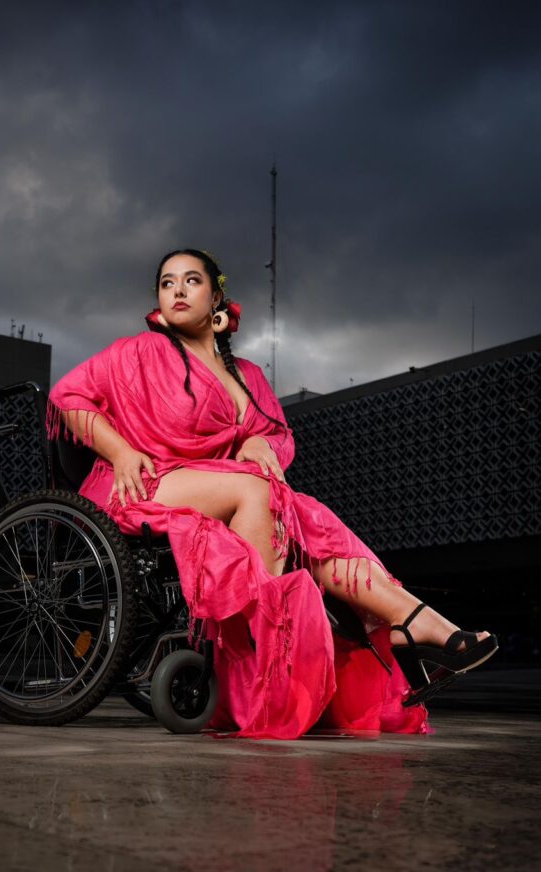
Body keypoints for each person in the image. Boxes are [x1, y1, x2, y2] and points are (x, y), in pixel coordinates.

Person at [48, 249, 497, 739]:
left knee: (310, 521)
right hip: (145, 481)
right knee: (259, 493)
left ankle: (418, 622)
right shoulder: (140, 351)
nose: (177, 290)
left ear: (216, 298)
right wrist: (119, 450)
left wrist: (259, 441)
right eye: (167, 282)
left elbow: (278, 437)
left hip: (228, 491)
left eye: (191, 280)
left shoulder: (249, 376)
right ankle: (264, 659)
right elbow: (67, 396)